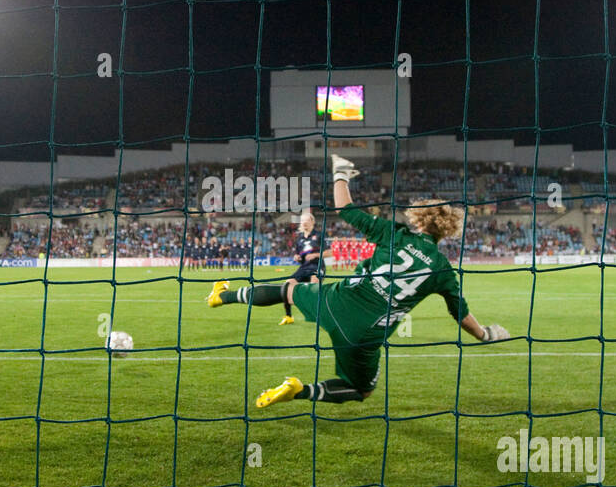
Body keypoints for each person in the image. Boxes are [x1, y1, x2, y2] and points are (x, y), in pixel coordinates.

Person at [206, 155, 510, 408]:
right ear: (447, 231)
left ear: (419, 218)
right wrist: (485, 334)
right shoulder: (443, 270)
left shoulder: (394, 233)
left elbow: (346, 209)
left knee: (288, 290)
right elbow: (461, 315)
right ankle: (299, 390)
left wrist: (341, 173)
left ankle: (224, 296)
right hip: (365, 332)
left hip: (336, 299)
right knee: (361, 390)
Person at [280, 208, 324, 325]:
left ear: (312, 222)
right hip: (304, 268)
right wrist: (297, 257)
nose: (304, 223)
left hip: (317, 267)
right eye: (302, 221)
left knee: (314, 287)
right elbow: (298, 254)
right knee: (286, 285)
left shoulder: (319, 235)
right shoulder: (299, 239)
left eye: (307, 220)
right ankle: (288, 316)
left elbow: (329, 252)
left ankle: (319, 315)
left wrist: (315, 254)